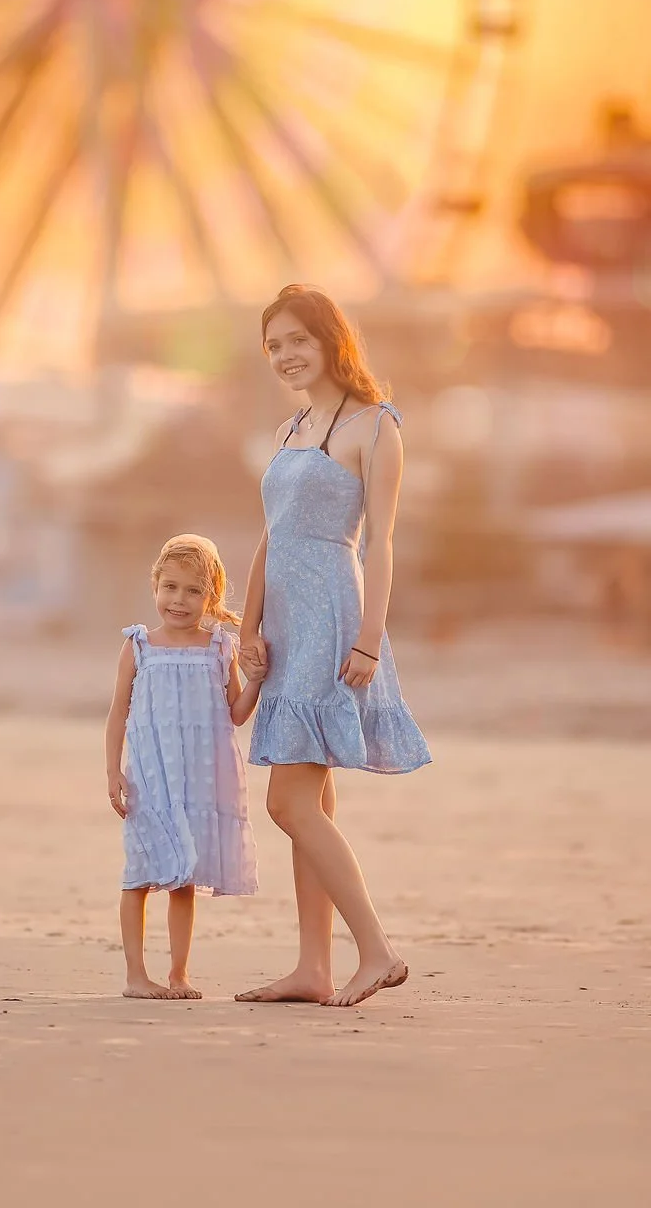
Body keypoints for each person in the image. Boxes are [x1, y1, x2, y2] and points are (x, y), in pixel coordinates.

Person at [237, 286, 431, 1009]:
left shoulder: (376, 426)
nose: (285, 356)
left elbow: (380, 542)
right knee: (312, 799)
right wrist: (248, 626)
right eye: (273, 346)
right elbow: (270, 534)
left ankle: (375, 950)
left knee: (289, 803)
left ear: (330, 340)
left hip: (332, 617)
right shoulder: (293, 428)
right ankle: (312, 968)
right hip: (283, 624)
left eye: (296, 341)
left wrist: (370, 640)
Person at [105, 534, 260, 999]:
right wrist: (113, 772)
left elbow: (234, 713)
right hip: (151, 779)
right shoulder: (138, 646)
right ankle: (136, 975)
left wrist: (255, 682)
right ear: (155, 585)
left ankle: (178, 974)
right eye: (170, 587)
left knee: (182, 879)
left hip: (199, 781)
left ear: (211, 596)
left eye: (193, 591)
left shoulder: (218, 648)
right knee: (138, 874)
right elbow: (118, 713)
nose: (179, 600)